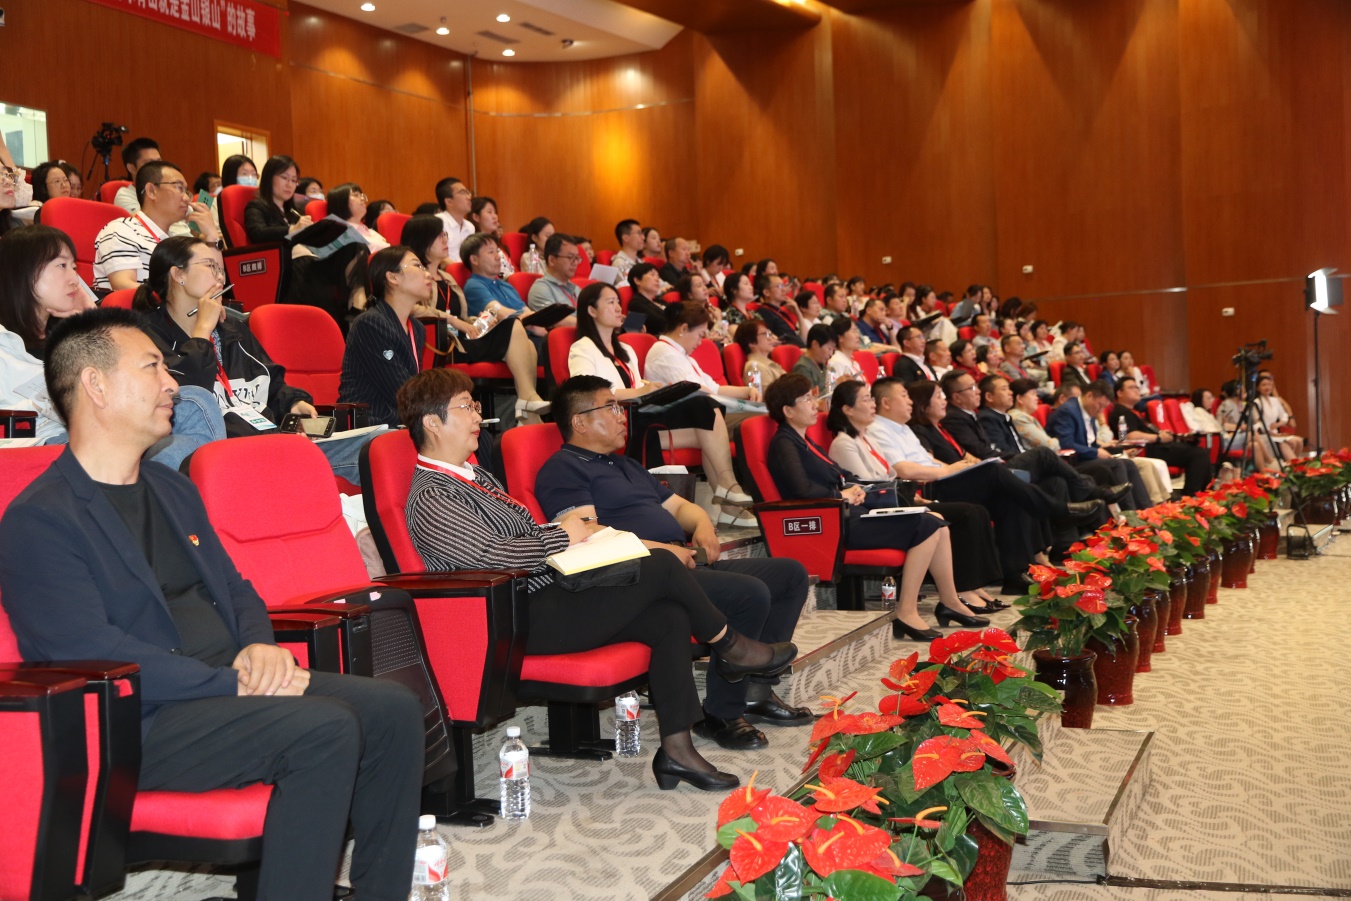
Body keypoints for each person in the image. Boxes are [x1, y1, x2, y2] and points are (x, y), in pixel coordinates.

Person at [0, 307, 424, 901]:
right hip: (139, 721)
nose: (172, 384)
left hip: (225, 687)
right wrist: (230, 683)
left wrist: (258, 647)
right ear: (95, 385)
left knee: (392, 709)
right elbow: (87, 648)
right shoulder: (40, 519)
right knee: (325, 729)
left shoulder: (172, 487)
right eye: (152, 367)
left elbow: (236, 588)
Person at [400, 367, 795, 789]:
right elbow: (489, 558)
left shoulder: (474, 476)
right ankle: (731, 646)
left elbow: (519, 538)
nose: (479, 416)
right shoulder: (433, 494)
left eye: (476, 406)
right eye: (467, 407)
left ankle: (677, 751)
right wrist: (561, 535)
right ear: (432, 422)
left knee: (668, 617)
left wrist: (564, 533)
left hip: (546, 594)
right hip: (512, 618)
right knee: (661, 565)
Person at [536, 376, 812, 748]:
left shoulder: (626, 465)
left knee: (790, 574)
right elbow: (588, 534)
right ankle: (722, 713)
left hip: (681, 562)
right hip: (643, 575)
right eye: (611, 407)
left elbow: (680, 507)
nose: (622, 416)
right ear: (580, 421)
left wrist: (702, 525)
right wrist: (663, 551)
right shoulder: (564, 469)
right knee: (749, 593)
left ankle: (756, 692)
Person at [135, 236, 376, 485]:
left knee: (372, 449)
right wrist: (202, 330)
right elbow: (185, 397)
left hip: (271, 441)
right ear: (178, 274)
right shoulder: (145, 335)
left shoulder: (234, 330)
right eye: (210, 266)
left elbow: (272, 383)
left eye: (221, 269)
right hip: (219, 452)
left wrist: (294, 403)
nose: (220, 277)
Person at [763, 373, 989, 633]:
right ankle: (906, 612)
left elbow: (841, 474)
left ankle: (949, 601)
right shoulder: (784, 443)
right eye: (806, 399)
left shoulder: (805, 442)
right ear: (788, 410)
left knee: (938, 524)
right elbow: (801, 490)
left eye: (813, 398)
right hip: (830, 523)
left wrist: (855, 487)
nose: (815, 405)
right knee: (927, 525)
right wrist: (841, 495)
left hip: (846, 513)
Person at [0, 226, 224, 461]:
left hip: (98, 428)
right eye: (62, 266)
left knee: (195, 406)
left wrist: (90, 316)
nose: (74, 280)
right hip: (46, 443)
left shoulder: (66, 335)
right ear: (22, 271)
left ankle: (148, 480)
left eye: (74, 268)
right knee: (191, 410)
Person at [826, 379, 1005, 622]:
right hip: (874, 511)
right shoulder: (843, 444)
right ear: (847, 409)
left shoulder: (866, 439)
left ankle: (961, 592)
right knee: (955, 515)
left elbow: (889, 477)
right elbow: (867, 489)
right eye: (866, 400)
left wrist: (910, 495)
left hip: (895, 502)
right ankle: (947, 597)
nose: (872, 404)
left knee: (972, 511)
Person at [401, 216, 547, 415]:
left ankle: (527, 409)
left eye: (445, 235)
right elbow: (412, 309)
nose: (445, 240)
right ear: (423, 240)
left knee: (527, 343)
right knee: (513, 324)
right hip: (443, 343)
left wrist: (477, 321)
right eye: (439, 236)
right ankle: (527, 400)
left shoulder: (447, 277)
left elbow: (462, 317)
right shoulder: (415, 278)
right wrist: (453, 320)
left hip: (464, 337)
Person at [977, 373, 1138, 509]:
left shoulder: (1008, 417)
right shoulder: (1012, 417)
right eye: (1004, 389)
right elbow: (1052, 445)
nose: (1010, 393)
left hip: (1039, 461)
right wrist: (1052, 444)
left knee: (1060, 481)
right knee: (1101, 467)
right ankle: (1123, 514)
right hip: (1018, 467)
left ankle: (1136, 513)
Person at [336, 246, 430, 428]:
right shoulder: (370, 323)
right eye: (417, 266)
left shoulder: (417, 328)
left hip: (400, 423)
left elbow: (413, 388)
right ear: (393, 277)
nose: (428, 274)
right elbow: (401, 392)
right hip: (369, 426)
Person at [93, 161, 223, 292]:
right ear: (151, 191)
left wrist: (212, 235)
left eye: (186, 192)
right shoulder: (122, 230)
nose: (186, 198)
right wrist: (177, 300)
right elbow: (123, 287)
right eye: (179, 188)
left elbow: (216, 285)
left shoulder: (177, 242)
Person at [1109, 377, 1214, 494]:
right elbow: (1128, 437)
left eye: (1137, 387)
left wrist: (1162, 434)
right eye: (1131, 388)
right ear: (1119, 393)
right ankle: (1190, 495)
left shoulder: (1135, 412)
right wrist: (1158, 437)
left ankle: (1206, 492)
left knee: (1200, 451)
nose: (1136, 390)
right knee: (1198, 454)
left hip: (1155, 446)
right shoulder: (1120, 412)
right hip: (1144, 449)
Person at [242, 155, 311, 244]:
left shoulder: (295, 211)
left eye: (294, 180)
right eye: (284, 178)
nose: (290, 185)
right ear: (269, 178)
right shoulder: (256, 207)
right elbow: (258, 233)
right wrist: (292, 229)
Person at [525, 232, 581, 321]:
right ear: (552, 260)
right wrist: (591, 325)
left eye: (577, 258)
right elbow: (555, 320)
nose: (575, 263)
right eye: (570, 257)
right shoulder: (541, 289)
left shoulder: (577, 289)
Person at [327, 182, 387, 251]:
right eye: (356, 195)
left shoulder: (371, 231)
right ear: (341, 202)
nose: (362, 198)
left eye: (362, 195)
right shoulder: (339, 236)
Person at [112, 137, 163, 213]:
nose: (157, 167)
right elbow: (144, 219)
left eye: (159, 162)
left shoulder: (167, 189)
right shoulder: (124, 196)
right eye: (149, 163)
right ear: (131, 168)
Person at [468, 196, 515, 277]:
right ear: (476, 217)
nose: (495, 216)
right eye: (489, 212)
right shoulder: (474, 247)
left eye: (495, 212)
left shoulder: (500, 245)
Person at [754, 273, 804, 348]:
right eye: (779, 286)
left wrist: (798, 313)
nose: (784, 290)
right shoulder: (764, 313)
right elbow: (769, 340)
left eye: (783, 286)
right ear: (767, 292)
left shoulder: (780, 312)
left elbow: (804, 339)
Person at [434, 176, 476, 262]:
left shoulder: (470, 227)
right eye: (462, 192)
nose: (468, 197)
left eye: (467, 192)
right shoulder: (438, 222)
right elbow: (438, 257)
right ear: (449, 201)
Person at [736, 318, 784, 392]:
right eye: (765, 334)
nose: (771, 338)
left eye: (770, 334)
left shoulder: (767, 363)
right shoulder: (756, 368)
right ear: (751, 342)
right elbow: (770, 397)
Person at [791, 324, 836, 401]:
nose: (831, 354)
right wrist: (835, 384)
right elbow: (809, 399)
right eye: (829, 348)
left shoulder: (822, 365)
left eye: (833, 350)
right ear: (815, 344)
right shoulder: (802, 368)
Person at [627, 262, 669, 335]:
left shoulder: (659, 301)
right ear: (637, 280)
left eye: (658, 276)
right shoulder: (636, 304)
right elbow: (662, 323)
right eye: (652, 275)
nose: (657, 279)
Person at [826, 316, 866, 386]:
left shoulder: (853, 362)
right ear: (840, 338)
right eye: (853, 331)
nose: (858, 336)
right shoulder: (836, 362)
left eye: (857, 331)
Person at [610, 218, 645, 285]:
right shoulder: (619, 264)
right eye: (639, 233)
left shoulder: (641, 262)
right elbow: (626, 288)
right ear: (626, 238)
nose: (643, 237)